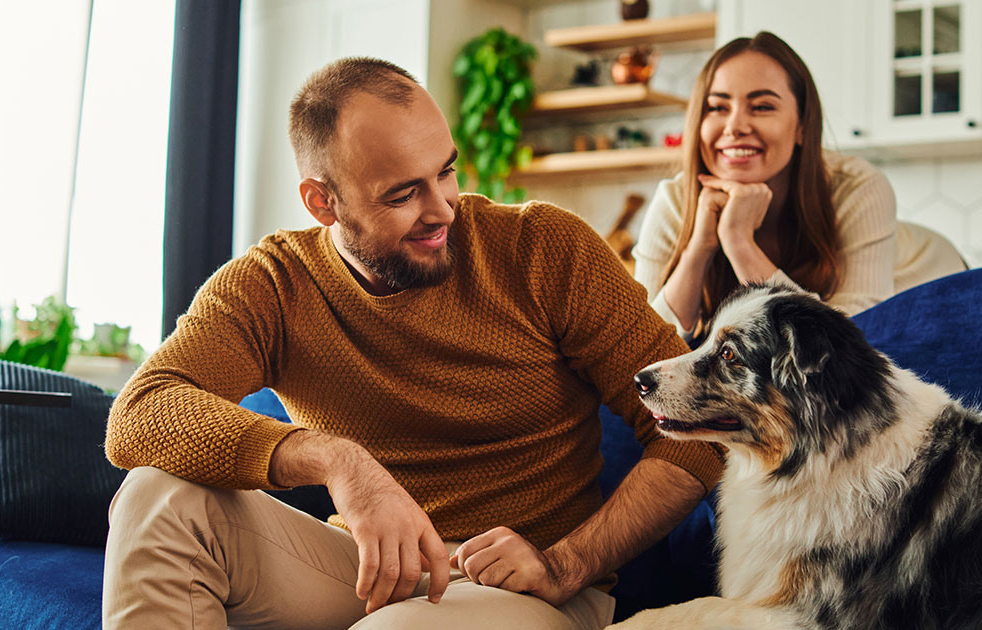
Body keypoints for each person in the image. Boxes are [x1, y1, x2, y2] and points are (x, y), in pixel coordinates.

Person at [101, 57, 725, 630]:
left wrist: (565, 566)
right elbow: (137, 416)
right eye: (403, 193)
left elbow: (704, 436)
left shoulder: (545, 251)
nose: (443, 209)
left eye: (446, 171)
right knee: (158, 498)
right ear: (323, 202)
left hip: (526, 589)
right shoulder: (274, 282)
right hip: (367, 568)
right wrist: (338, 462)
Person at [633, 32, 965, 337]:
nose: (734, 126)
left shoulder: (859, 187)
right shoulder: (676, 200)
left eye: (762, 107)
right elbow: (640, 348)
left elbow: (849, 344)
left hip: (938, 283)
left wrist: (738, 242)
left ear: (803, 126)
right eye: (718, 107)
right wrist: (700, 248)